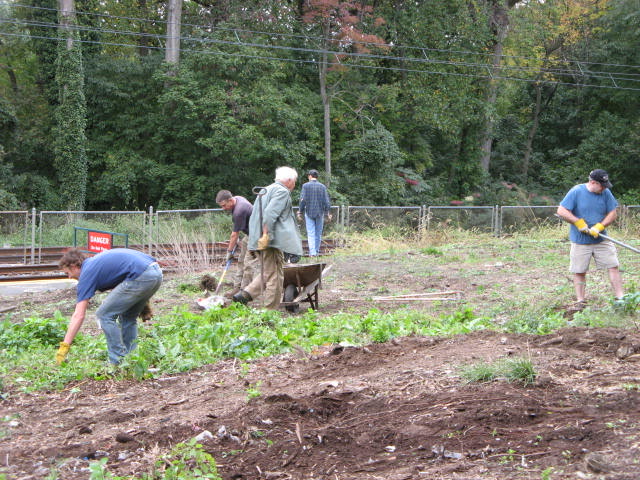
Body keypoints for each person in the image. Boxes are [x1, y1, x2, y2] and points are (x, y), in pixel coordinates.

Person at [56, 248, 163, 365]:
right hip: (155, 272)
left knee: (104, 314)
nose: (69, 277)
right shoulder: (95, 265)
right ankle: (132, 360)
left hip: (142, 275)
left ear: (74, 266)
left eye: (68, 273)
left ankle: (116, 361)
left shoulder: (87, 272)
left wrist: (64, 347)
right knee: (128, 317)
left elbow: (78, 315)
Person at [232, 166, 303, 309]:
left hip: (256, 238)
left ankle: (245, 295)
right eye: (294, 181)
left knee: (268, 272)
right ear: (289, 180)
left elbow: (255, 215)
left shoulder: (265, 190)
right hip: (269, 241)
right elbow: (270, 214)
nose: (294, 185)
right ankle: (269, 311)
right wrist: (265, 235)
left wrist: (255, 239)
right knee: (275, 277)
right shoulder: (282, 191)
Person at [556, 169, 623, 308]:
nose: (604, 188)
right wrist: (578, 222)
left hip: (601, 239)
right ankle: (581, 301)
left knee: (613, 266)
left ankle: (620, 298)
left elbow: (613, 213)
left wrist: (600, 226)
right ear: (593, 182)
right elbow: (561, 210)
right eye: (602, 185)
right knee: (579, 271)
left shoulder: (606, 193)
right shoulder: (576, 191)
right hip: (581, 240)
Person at [216, 189, 256, 296]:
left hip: (257, 236)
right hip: (249, 234)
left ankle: (244, 293)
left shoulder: (239, 211)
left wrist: (229, 252)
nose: (223, 208)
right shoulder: (238, 198)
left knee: (248, 264)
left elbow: (234, 235)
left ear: (230, 200)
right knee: (241, 261)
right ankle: (237, 288)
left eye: (224, 205)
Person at [297, 169, 331, 257]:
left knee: (311, 233)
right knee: (318, 233)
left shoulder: (305, 186)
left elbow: (302, 200)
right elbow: (326, 201)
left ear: (310, 176)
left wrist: (300, 211)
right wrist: (327, 212)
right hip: (320, 212)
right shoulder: (322, 187)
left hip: (309, 212)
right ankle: (316, 250)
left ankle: (312, 253)